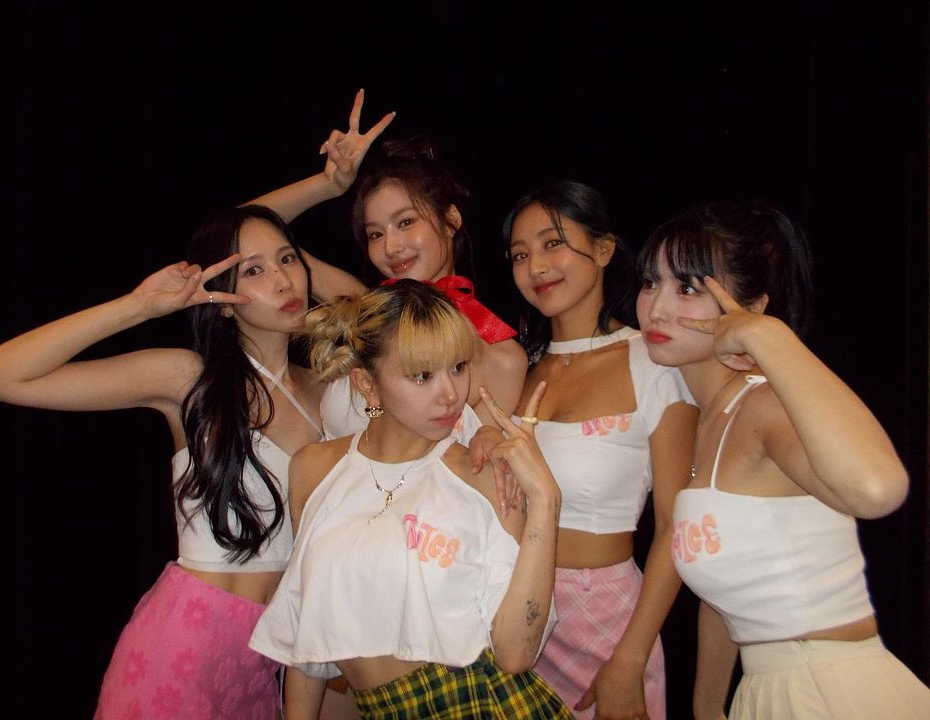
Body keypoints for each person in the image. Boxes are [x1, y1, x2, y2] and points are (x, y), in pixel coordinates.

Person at [0, 204, 354, 719]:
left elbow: (380, 314)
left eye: (288, 259)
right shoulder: (191, 379)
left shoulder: (330, 390)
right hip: (184, 646)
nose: (283, 280)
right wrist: (138, 307)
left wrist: (332, 187)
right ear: (221, 299)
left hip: (270, 660)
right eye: (254, 270)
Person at [635, 200, 930, 719]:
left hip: (827, 690)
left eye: (688, 288)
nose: (656, 308)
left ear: (751, 306)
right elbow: (727, 591)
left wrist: (767, 337)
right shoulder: (711, 419)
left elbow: (879, 490)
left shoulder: (764, 406)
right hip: (768, 688)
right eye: (650, 282)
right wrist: (707, 708)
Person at [248, 279, 573, 720]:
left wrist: (546, 500)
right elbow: (309, 631)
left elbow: (516, 653)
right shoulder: (313, 469)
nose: (451, 394)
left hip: (480, 702)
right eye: (422, 375)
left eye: (458, 367)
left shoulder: (484, 476)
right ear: (366, 384)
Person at [503, 180, 698, 720]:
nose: (536, 266)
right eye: (520, 254)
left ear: (605, 249)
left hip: (606, 624)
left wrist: (629, 660)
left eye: (553, 243)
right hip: (509, 616)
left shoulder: (653, 363)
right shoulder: (513, 366)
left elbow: (676, 526)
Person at [252, 89, 528, 445]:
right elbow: (246, 228)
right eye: (375, 234)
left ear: (451, 220)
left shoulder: (502, 358)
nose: (391, 247)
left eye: (405, 222)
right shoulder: (362, 311)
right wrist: (328, 184)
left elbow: (476, 471)